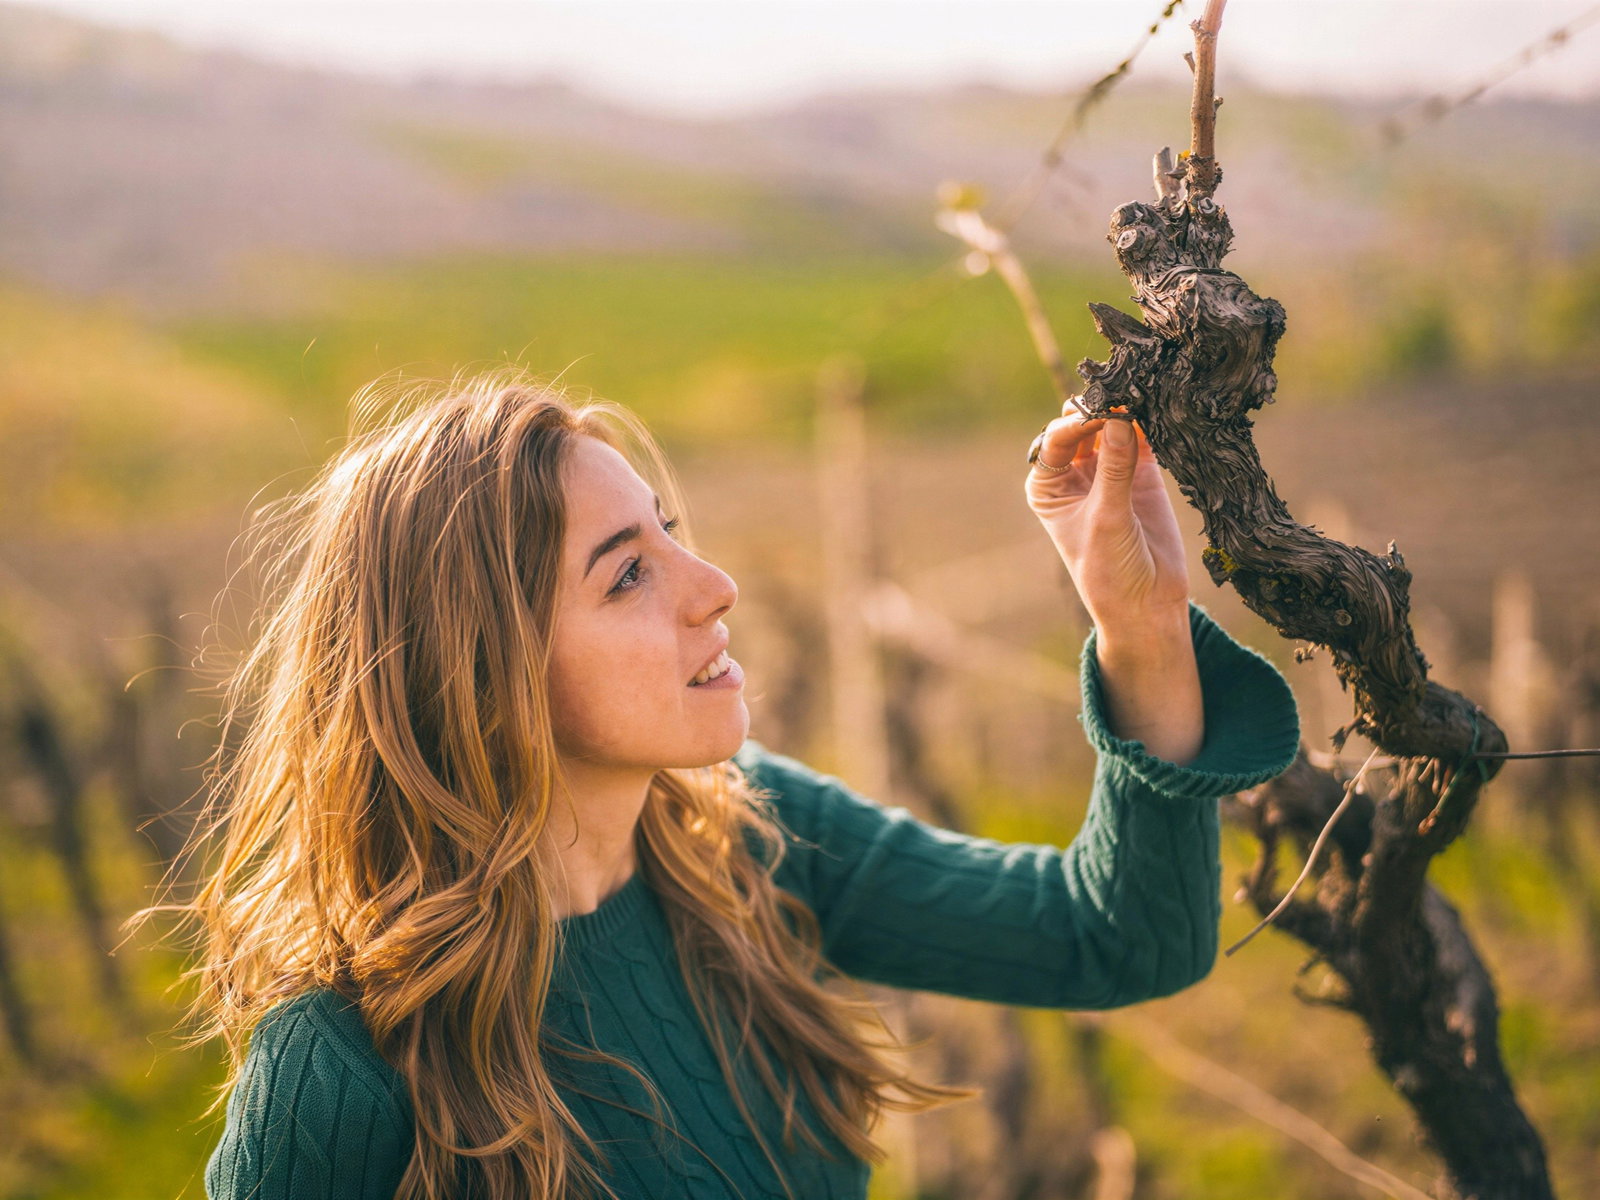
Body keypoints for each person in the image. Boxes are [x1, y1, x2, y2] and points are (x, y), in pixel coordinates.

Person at [188, 370, 1299, 1200]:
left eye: (670, 535)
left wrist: (1140, 624)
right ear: (484, 675)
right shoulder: (341, 1070)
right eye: (627, 574)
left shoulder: (749, 841)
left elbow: (1117, 938)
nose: (713, 588)